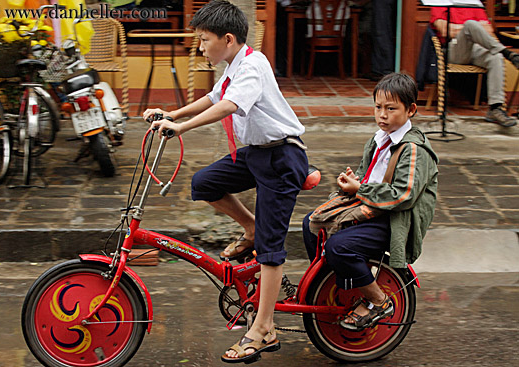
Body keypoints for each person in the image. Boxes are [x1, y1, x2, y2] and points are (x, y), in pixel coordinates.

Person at [143, 0, 308, 363]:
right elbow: (213, 98)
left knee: (270, 248)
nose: (200, 47)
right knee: (204, 184)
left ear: (228, 39)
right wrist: (171, 113)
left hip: (282, 157)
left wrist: (181, 127)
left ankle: (264, 328)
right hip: (257, 154)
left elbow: (229, 106)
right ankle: (250, 226)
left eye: (204, 40)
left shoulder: (252, 65)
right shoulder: (234, 66)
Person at [302, 73, 438, 331]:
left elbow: (403, 195)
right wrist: (356, 181)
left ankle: (378, 300)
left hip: (394, 221)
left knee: (339, 247)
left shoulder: (414, 149)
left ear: (411, 110)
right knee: (312, 223)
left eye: (391, 108)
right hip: (370, 209)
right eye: (378, 107)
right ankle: (332, 286)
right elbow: (370, 178)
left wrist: (360, 188)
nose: (382, 115)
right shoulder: (377, 140)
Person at [431, 6, 519, 127]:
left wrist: (460, 28)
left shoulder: (473, 5)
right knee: (470, 25)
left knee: (496, 57)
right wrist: (471, 29)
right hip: (455, 49)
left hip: (477, 49)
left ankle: (495, 108)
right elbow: (446, 31)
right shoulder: (440, 4)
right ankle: (507, 53)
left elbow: (489, 31)